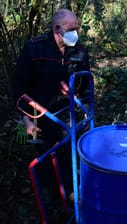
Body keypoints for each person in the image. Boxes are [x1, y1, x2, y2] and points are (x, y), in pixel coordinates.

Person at [12, 8, 90, 219]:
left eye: (77, 28)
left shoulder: (80, 50)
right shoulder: (34, 49)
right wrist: (25, 119)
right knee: (41, 157)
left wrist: (75, 93)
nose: (76, 32)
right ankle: (48, 200)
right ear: (57, 28)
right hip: (35, 115)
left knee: (68, 153)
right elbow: (18, 86)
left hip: (65, 114)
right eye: (71, 29)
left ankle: (70, 196)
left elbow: (85, 86)